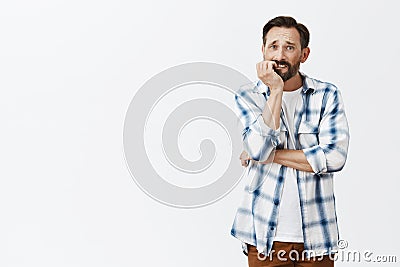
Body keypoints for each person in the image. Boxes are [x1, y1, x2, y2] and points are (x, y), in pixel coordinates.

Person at [231, 16, 350, 267]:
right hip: (263, 237)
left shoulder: (327, 95)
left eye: (289, 47)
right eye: (273, 46)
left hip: (317, 237)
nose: (279, 55)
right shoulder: (248, 96)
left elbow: (335, 157)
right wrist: (275, 91)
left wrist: (268, 156)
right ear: (262, 50)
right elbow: (259, 147)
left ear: (304, 54)